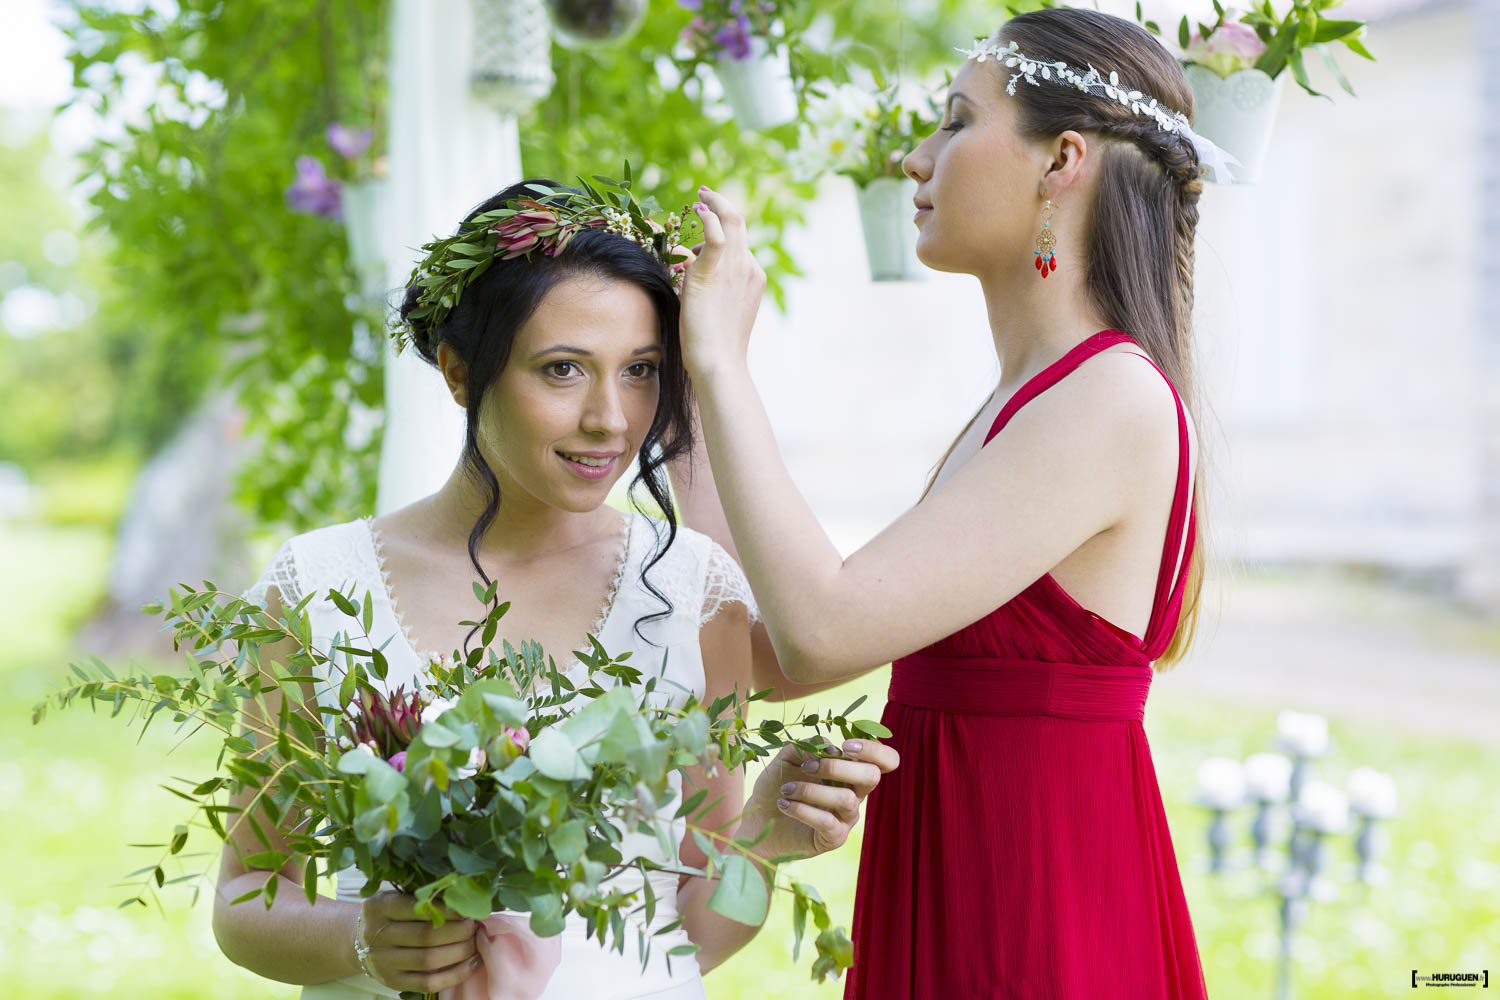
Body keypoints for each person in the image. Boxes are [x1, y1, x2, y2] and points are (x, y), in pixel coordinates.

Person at [212, 178, 898, 1000]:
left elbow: (688, 937)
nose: (611, 419)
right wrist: (361, 940)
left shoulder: (692, 591)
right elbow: (244, 899)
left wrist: (762, 839)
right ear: (460, 373)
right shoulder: (319, 588)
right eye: (563, 370)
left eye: (641, 370)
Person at [671, 9, 1216, 997]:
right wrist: (686, 410)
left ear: (1062, 161)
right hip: (966, 871)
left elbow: (825, 626)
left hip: (1030, 900)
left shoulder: (1109, 398)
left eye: (955, 121)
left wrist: (724, 360)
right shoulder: (1021, 406)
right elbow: (776, 652)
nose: (916, 161)